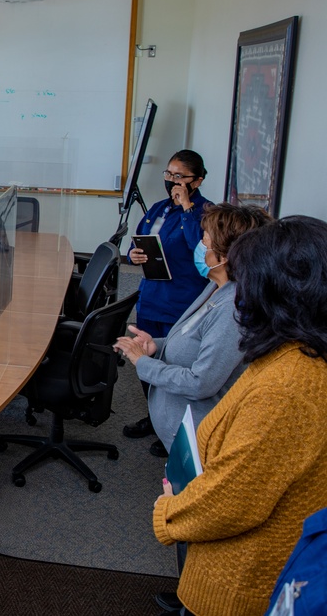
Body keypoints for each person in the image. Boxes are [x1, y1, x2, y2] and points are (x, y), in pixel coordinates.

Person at [152, 215, 327, 616]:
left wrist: (170, 509)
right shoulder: (293, 353)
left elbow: (231, 502)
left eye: (245, 282)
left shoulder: (288, 389)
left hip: (238, 583)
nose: (238, 294)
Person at [114, 203, 272, 458]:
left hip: (199, 439)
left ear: (225, 256)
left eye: (204, 240)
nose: (199, 246)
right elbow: (194, 337)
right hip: (179, 432)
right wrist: (158, 344)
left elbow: (200, 383)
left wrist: (143, 363)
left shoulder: (234, 311)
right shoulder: (218, 286)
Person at [123, 150, 212, 442]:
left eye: (179, 176)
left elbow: (198, 249)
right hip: (151, 296)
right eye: (169, 174)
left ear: (196, 181)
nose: (172, 180)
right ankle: (154, 416)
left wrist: (187, 208)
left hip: (181, 301)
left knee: (174, 364)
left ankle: (174, 428)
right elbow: (139, 239)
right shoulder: (158, 208)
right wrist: (132, 254)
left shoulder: (206, 214)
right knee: (144, 358)